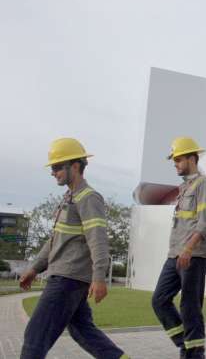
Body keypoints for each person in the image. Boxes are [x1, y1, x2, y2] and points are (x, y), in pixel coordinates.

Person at [19, 138, 129, 359]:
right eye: (53, 168)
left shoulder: (89, 198)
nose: (53, 172)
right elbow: (54, 241)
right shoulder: (69, 198)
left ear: (75, 166)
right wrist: (34, 268)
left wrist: (99, 277)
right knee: (84, 332)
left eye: (57, 167)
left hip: (67, 279)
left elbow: (98, 240)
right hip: (66, 277)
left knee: (35, 337)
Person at [152, 137, 206, 359]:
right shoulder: (183, 188)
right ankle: (188, 346)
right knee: (159, 300)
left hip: (194, 255)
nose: (176, 163)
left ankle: (194, 353)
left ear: (192, 158)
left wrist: (189, 249)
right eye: (174, 160)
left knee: (190, 307)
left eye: (179, 159)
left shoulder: (205, 184)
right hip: (175, 255)